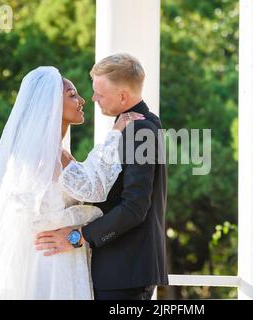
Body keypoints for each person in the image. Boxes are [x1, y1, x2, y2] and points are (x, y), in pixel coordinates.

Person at [0, 66, 143, 299]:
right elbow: (94, 188)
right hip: (53, 264)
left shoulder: (55, 153)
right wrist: (115, 133)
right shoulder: (49, 155)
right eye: (72, 95)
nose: (82, 100)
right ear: (50, 104)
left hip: (57, 257)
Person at [36, 54, 169, 300]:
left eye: (100, 93)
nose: (93, 98)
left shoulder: (139, 129)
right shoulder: (132, 125)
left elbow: (135, 206)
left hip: (124, 269)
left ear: (122, 96)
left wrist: (79, 236)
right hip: (116, 268)